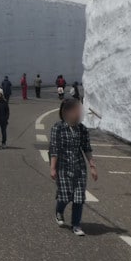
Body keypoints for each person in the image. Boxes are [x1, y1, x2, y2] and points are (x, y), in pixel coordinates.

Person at [49, 97, 97, 236]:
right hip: (62, 166)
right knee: (65, 196)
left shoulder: (82, 129)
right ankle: (59, 211)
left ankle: (76, 224)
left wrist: (92, 166)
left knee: (78, 197)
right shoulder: (58, 127)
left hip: (79, 166)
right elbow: (54, 148)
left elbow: (86, 148)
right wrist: (52, 168)